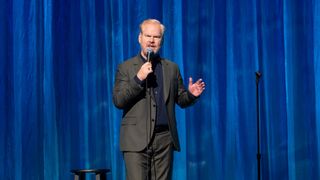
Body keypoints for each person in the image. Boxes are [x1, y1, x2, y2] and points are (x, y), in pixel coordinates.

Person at [112, 19, 205, 180]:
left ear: (162, 40)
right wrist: (138, 78)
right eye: (148, 35)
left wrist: (190, 95)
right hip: (135, 140)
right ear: (139, 38)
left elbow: (181, 99)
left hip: (164, 140)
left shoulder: (171, 68)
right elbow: (118, 100)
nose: (152, 40)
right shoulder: (125, 68)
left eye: (156, 37)